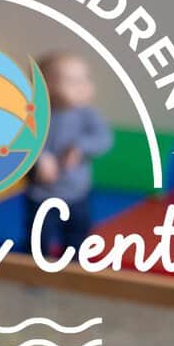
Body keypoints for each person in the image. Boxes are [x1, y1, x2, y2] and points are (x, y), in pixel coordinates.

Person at [27, 51, 112, 255]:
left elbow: (104, 140)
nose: (83, 86)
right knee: (38, 235)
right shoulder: (35, 113)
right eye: (73, 81)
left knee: (77, 234)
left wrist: (81, 146)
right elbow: (23, 141)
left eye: (86, 79)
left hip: (76, 193)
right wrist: (41, 158)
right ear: (45, 86)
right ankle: (34, 269)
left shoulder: (87, 114)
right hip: (41, 193)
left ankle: (73, 267)